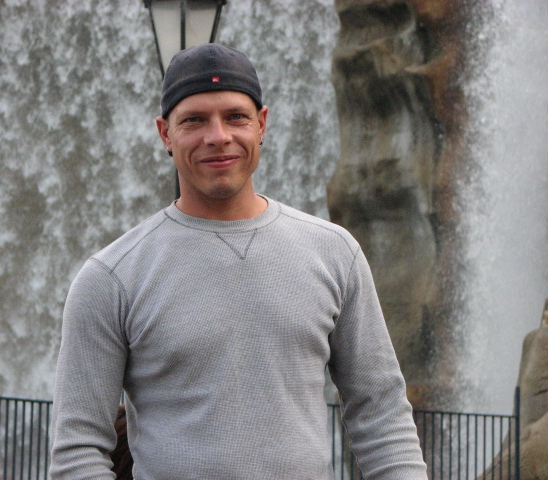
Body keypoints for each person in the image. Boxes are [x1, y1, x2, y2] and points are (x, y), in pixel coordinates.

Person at [50, 43, 428, 479]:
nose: (218, 136)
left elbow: (382, 415)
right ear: (165, 134)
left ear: (261, 124)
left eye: (235, 117)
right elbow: (77, 452)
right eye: (194, 120)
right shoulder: (111, 277)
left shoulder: (335, 252)